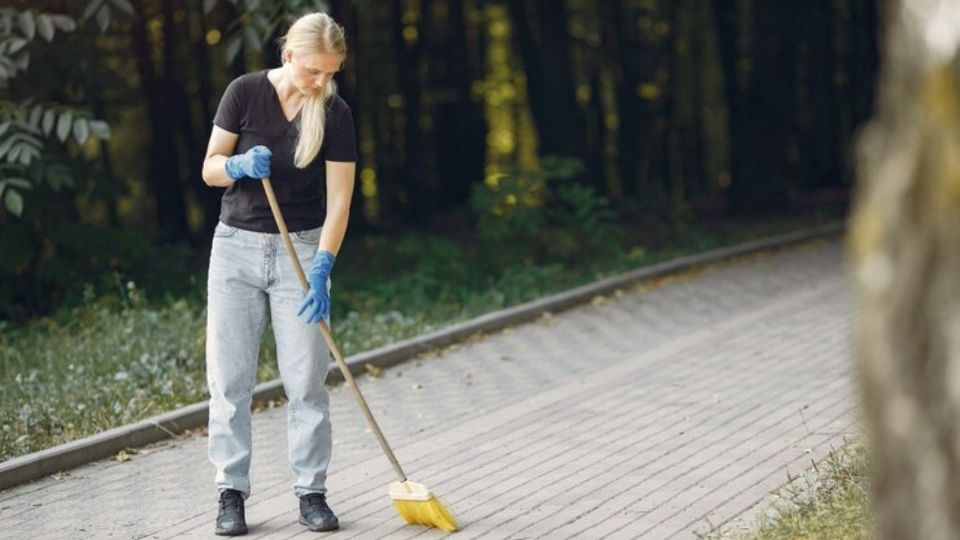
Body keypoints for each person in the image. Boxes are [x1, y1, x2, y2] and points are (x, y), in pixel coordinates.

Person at [200, 12, 356, 536]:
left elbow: (339, 204)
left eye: (330, 73)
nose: (321, 82)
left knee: (308, 380)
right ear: (289, 54)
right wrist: (238, 165)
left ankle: (312, 493)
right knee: (230, 379)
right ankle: (231, 493)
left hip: (303, 252)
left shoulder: (334, 113)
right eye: (315, 71)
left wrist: (322, 269)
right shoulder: (243, 92)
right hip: (236, 251)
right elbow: (210, 167)